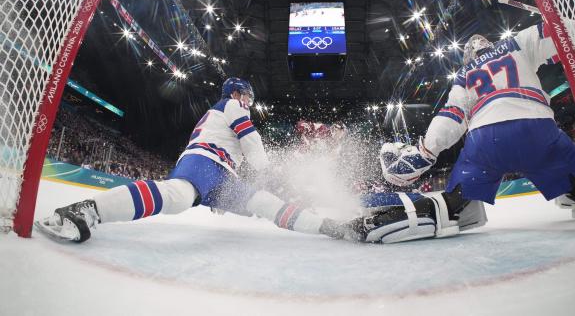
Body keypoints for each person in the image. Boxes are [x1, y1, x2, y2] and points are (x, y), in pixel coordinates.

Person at [354, 24, 575, 243]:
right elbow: (559, 34)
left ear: (469, 56)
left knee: (458, 196)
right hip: (537, 130)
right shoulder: (515, 43)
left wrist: (426, 151)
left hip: (485, 140)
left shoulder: (464, 74)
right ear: (491, 44)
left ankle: (446, 210)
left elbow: (452, 116)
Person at [36, 78, 345, 243]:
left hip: (218, 171)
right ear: (238, 93)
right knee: (178, 197)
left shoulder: (222, 110)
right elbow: (252, 140)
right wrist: (264, 169)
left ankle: (326, 227)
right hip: (206, 163)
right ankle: (86, 210)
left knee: (261, 202)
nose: (249, 101)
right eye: (246, 95)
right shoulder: (232, 105)